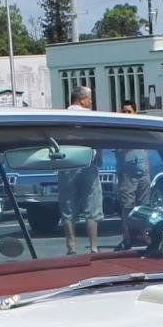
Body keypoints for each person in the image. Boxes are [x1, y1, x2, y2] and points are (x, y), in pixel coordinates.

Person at [61, 86, 101, 252]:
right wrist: (100, 157)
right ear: (81, 99)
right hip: (87, 161)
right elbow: (98, 138)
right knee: (92, 204)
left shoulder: (61, 117)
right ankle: (94, 247)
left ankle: (71, 246)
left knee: (68, 206)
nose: (91, 101)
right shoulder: (90, 115)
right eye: (89, 98)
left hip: (68, 162)